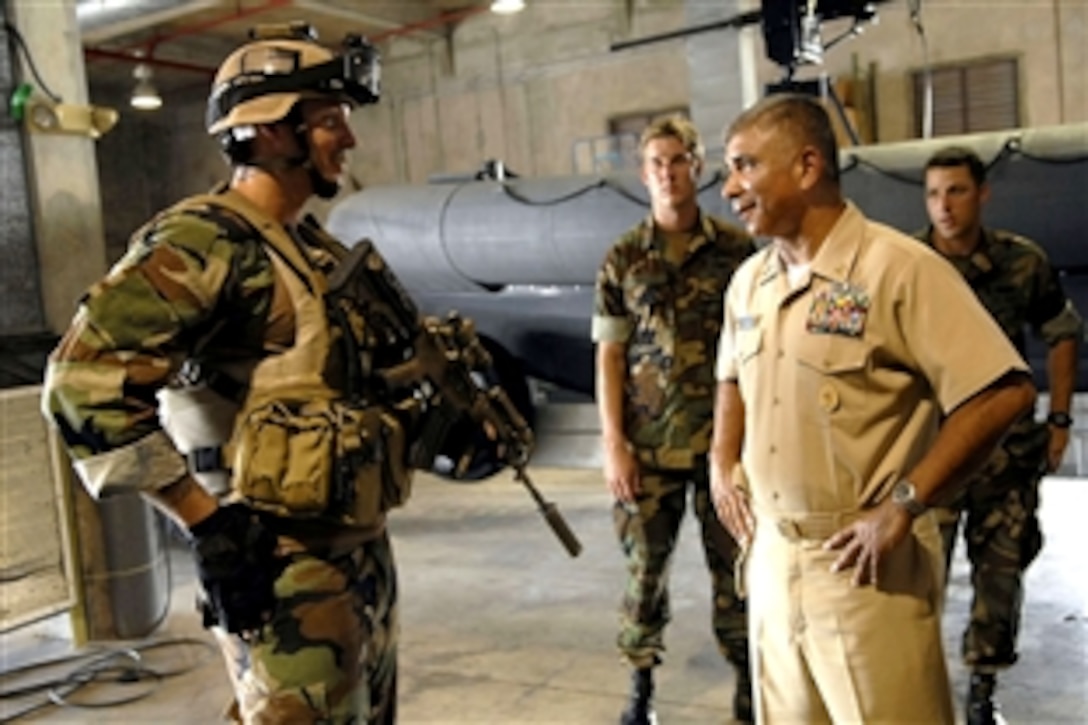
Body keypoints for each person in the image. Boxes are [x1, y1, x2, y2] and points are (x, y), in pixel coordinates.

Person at [42, 24, 409, 723]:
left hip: (357, 553)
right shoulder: (205, 241)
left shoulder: (313, 248)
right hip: (279, 567)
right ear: (271, 133)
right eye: (330, 120)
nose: (349, 139)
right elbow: (81, 382)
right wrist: (204, 523)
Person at [709, 93, 1038, 723]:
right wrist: (723, 461)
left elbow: (1003, 390)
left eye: (745, 166)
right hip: (774, 564)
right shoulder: (750, 282)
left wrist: (906, 503)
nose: (730, 188)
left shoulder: (898, 268)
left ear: (807, 167)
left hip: (863, 569)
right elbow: (729, 376)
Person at [592, 115, 756, 725]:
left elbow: (753, 349)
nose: (668, 172)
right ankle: (641, 692)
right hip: (649, 450)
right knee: (644, 578)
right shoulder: (625, 259)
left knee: (737, 577)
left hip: (724, 450)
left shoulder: (737, 252)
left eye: (678, 159)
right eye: (657, 162)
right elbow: (609, 354)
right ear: (644, 174)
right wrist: (614, 444)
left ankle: (750, 693)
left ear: (698, 164)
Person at [919, 145, 1083, 725]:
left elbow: (1063, 332)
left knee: (1002, 574)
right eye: (934, 193)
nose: (944, 206)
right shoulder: (907, 264)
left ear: (982, 194)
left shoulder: (1021, 261)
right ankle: (914, 687)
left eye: (957, 191)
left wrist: (1058, 420)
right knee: (916, 580)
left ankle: (983, 692)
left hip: (1006, 453)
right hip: (931, 457)